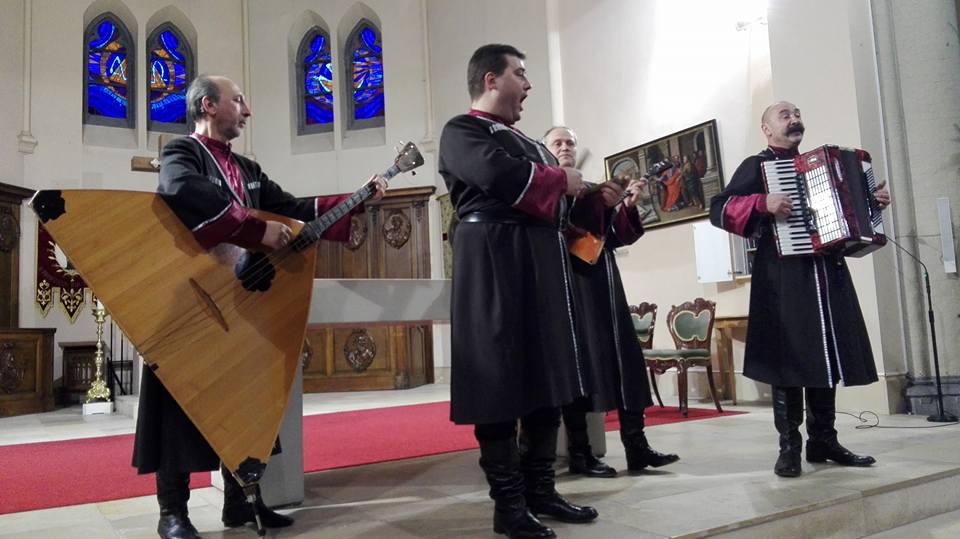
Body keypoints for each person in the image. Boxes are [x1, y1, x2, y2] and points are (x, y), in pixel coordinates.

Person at [132, 74, 386, 539]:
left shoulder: (247, 169)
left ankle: (240, 505)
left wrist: (355, 199)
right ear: (209, 105)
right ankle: (173, 513)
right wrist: (255, 230)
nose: (247, 111)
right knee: (178, 408)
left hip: (240, 306)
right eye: (239, 101)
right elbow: (182, 192)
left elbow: (292, 208)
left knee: (246, 403)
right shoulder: (180, 153)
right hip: (189, 301)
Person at [438, 45, 598, 539]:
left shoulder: (529, 141)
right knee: (499, 378)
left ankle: (541, 491)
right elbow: (495, 174)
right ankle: (508, 506)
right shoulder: (462, 130)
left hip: (539, 257)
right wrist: (562, 179)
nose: (527, 85)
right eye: (520, 75)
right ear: (491, 79)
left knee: (546, 373)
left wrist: (591, 195)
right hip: (492, 254)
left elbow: (558, 204)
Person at [709, 101, 890, 478]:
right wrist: (763, 201)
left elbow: (842, 217)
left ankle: (823, 439)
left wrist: (871, 204)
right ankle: (789, 445)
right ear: (767, 129)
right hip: (783, 275)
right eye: (784, 116)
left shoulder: (825, 165)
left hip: (826, 272)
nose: (794, 120)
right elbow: (719, 208)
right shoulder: (758, 166)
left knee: (826, 356)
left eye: (797, 114)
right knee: (788, 360)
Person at [543, 126, 680, 478]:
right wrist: (591, 204)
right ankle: (581, 453)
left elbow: (616, 237)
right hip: (569, 284)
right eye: (557, 142)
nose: (566, 147)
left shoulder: (591, 189)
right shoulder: (546, 189)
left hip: (605, 283)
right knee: (582, 367)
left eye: (571, 142)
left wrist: (626, 206)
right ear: (544, 150)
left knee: (625, 361)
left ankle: (637, 447)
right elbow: (556, 231)